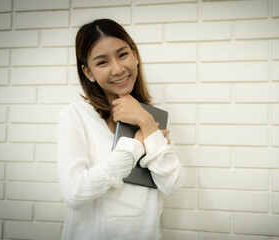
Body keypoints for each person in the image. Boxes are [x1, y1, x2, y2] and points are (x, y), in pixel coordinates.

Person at [57, 18, 185, 240]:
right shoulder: (75, 115)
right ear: (88, 72)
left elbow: (173, 184)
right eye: (102, 62)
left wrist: (146, 124)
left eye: (123, 54)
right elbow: (75, 193)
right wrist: (136, 146)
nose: (117, 69)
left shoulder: (152, 117)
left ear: (134, 54)